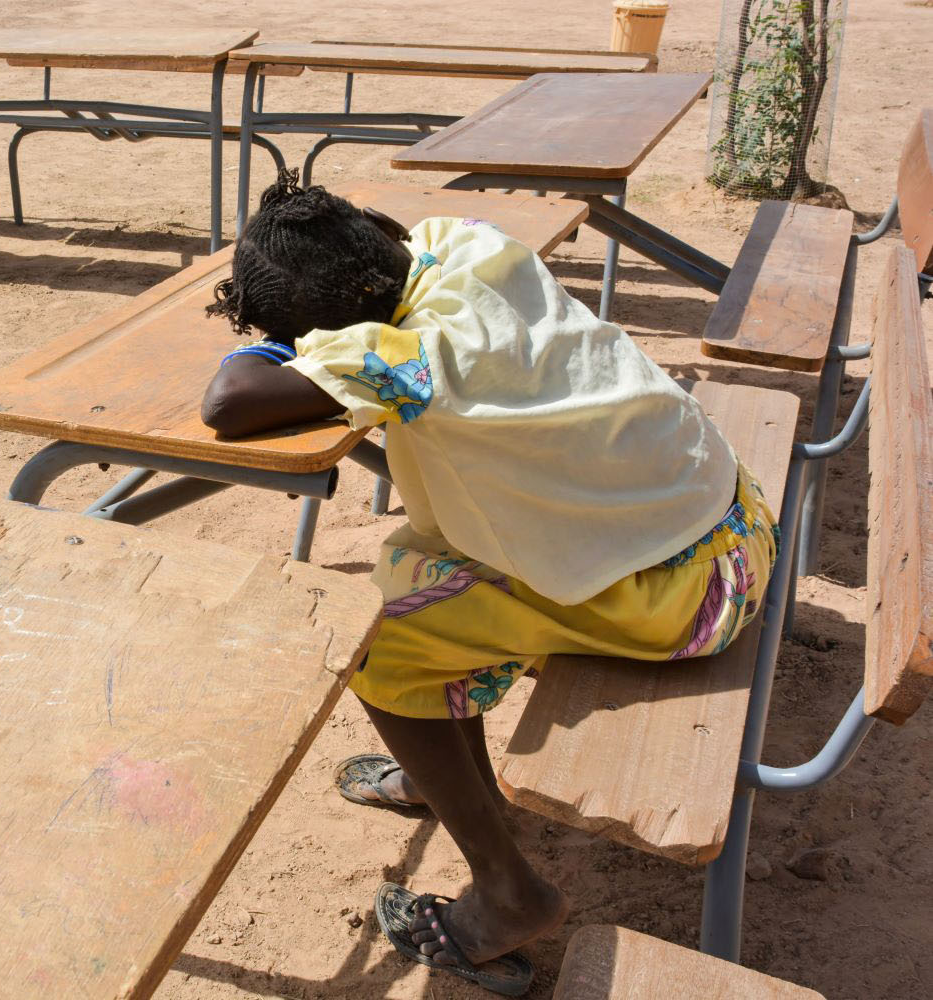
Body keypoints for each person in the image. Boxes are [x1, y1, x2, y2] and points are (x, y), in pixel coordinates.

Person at [201, 173, 777, 996]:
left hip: (685, 598)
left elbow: (228, 402)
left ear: (335, 332)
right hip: (730, 518)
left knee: (384, 644)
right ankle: (446, 777)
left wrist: (275, 343)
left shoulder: (401, 357)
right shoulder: (461, 241)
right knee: (423, 565)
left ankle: (509, 895)